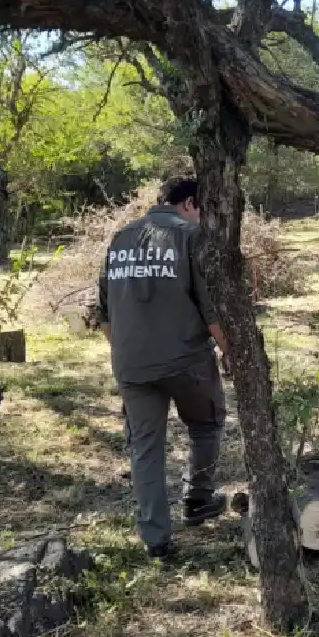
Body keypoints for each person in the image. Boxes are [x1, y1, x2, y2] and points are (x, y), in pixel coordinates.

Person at [98, 175, 229, 559]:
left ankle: (156, 541)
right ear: (189, 203)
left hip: (131, 365)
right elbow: (212, 312)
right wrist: (230, 352)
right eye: (203, 210)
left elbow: (103, 313)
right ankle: (198, 499)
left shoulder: (120, 238)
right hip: (186, 361)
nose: (205, 219)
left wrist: (127, 353)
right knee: (206, 424)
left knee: (145, 449)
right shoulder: (190, 238)